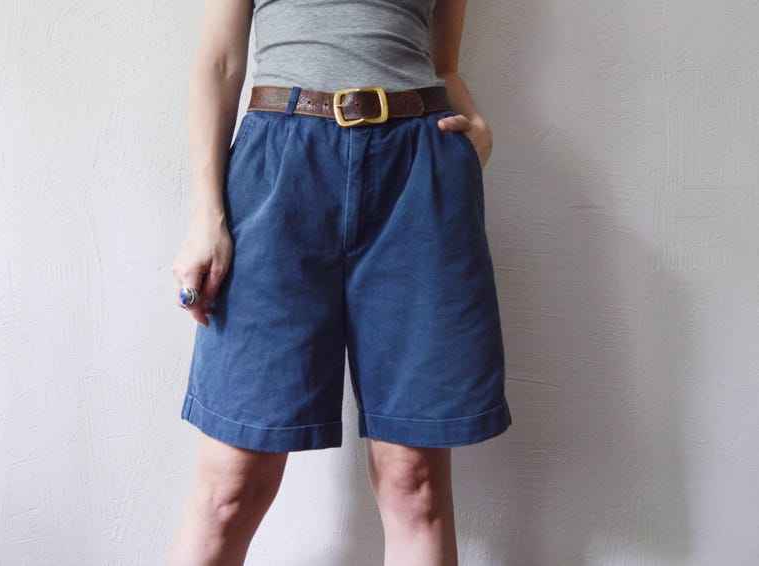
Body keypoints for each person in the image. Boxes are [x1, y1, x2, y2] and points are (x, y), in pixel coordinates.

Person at [168, 0, 513, 564]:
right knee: (230, 486)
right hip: (278, 171)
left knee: (415, 481)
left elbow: (443, 63)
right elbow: (221, 62)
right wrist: (206, 217)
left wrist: (476, 128)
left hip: (417, 174)